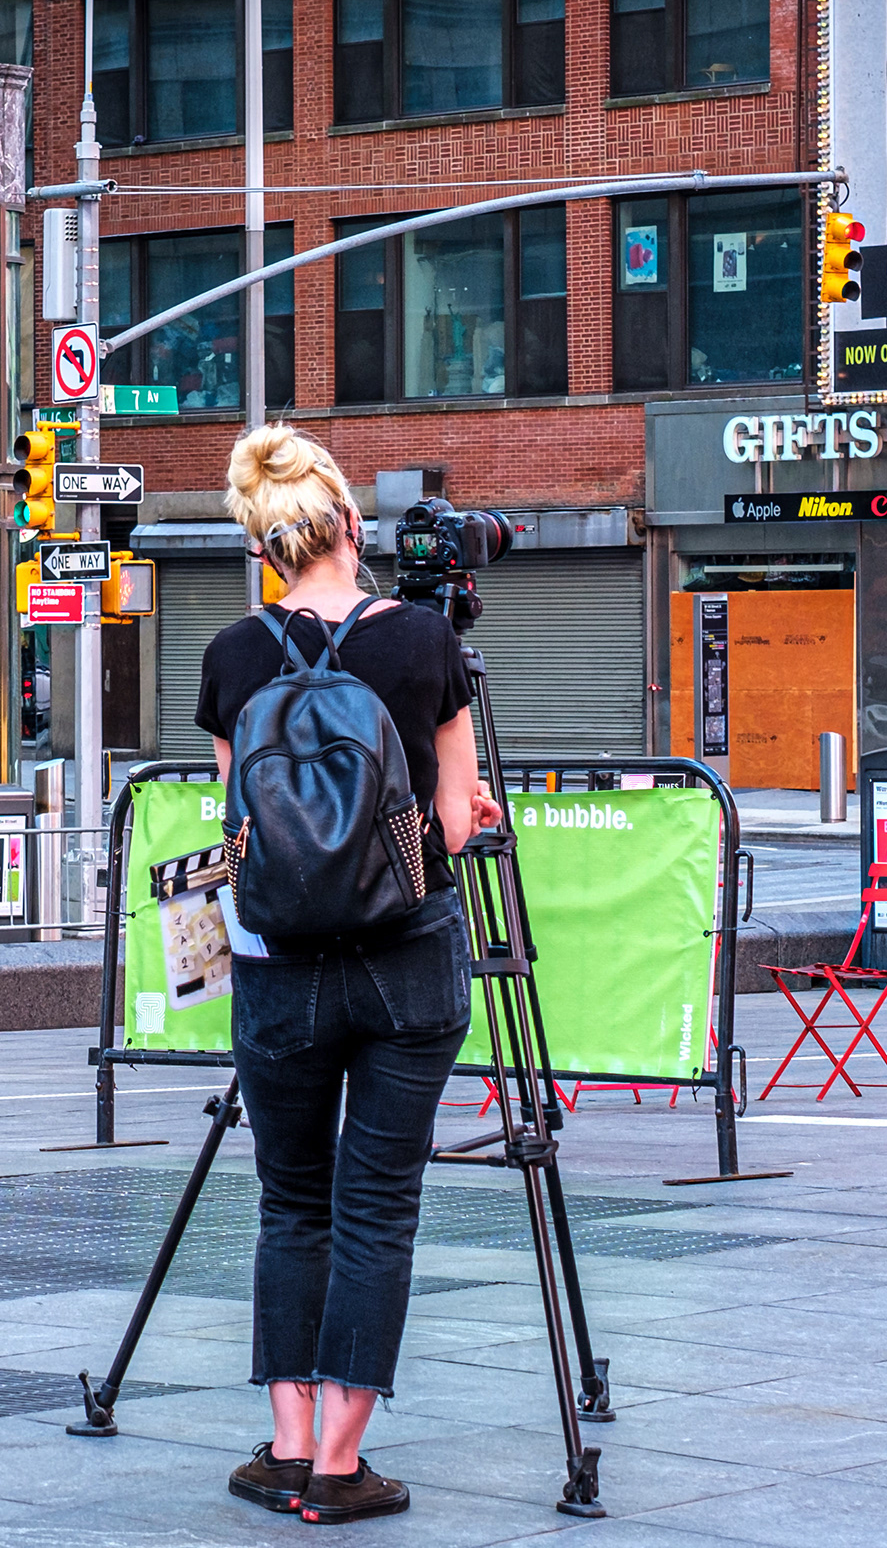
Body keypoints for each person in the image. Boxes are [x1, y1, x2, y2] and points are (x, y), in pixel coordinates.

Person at [196, 426, 502, 1521]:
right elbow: (455, 829)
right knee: (379, 1208)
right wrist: (440, 830)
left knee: (290, 1203)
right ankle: (338, 1465)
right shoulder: (424, 641)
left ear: (265, 546)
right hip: (403, 964)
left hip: (279, 970)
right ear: (351, 528)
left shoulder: (234, 653)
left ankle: (281, 1447)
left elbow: (241, 825)